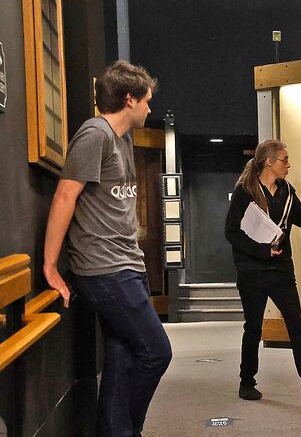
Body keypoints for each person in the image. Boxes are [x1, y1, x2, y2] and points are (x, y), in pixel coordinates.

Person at [43, 61, 172, 437]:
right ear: (129, 99)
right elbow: (65, 196)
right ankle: (129, 428)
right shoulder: (94, 135)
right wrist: (50, 265)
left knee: (122, 355)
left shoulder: (123, 138)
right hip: (103, 269)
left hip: (126, 264)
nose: (149, 108)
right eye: (146, 100)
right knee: (156, 352)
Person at [225, 139, 301, 402]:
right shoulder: (244, 191)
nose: (289, 165)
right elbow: (231, 232)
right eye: (284, 160)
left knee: (296, 325)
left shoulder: (287, 191)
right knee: (253, 327)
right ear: (269, 161)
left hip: (281, 270)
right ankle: (247, 382)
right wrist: (262, 251)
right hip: (252, 271)